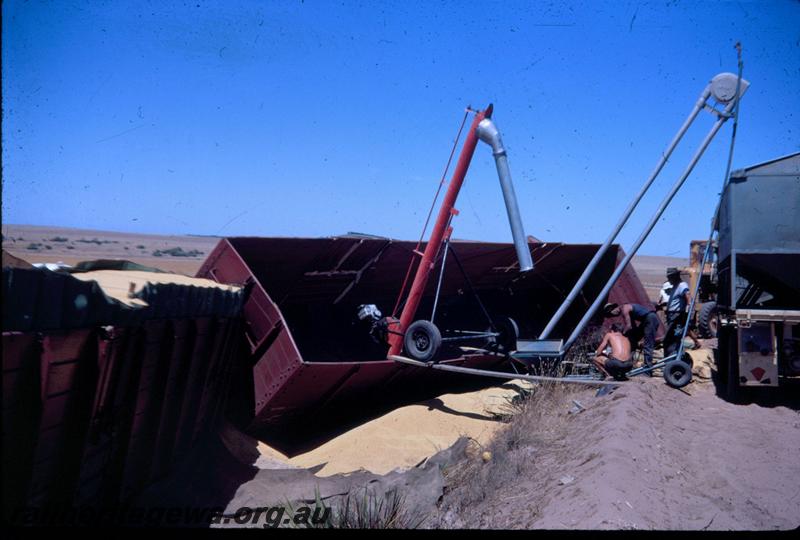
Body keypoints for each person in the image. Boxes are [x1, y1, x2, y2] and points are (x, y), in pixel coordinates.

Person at [603, 301, 659, 371]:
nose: (614, 316)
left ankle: (647, 370)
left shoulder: (624, 309)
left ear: (613, 309)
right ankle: (629, 364)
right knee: (633, 340)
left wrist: (621, 335)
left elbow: (629, 326)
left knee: (648, 345)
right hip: (646, 320)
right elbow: (633, 328)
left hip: (651, 319)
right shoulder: (627, 309)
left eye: (612, 314)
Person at [659, 267, 692, 358]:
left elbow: (688, 296)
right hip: (672, 315)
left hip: (676, 316)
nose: (669, 280)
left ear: (675, 276)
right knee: (672, 338)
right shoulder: (675, 286)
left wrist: (689, 310)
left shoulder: (682, 285)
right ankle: (672, 357)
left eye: (670, 277)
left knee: (671, 338)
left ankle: (672, 359)